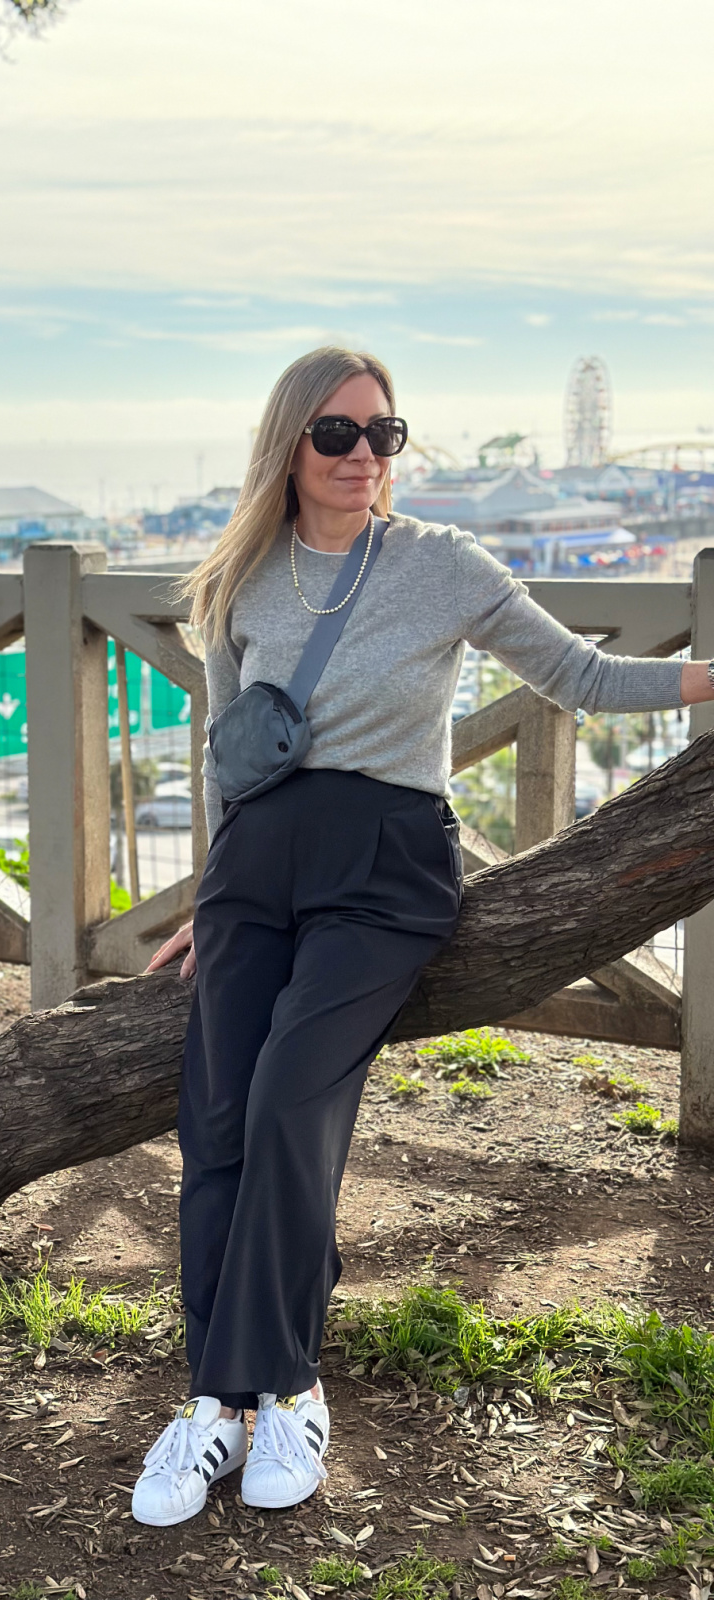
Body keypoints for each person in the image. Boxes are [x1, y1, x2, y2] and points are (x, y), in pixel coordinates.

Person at [129, 345, 714, 1529]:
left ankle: (280, 1390)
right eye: (337, 435)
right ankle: (214, 1408)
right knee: (220, 1118)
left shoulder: (445, 565)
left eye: (381, 436)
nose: (361, 457)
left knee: (295, 1098)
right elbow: (228, 754)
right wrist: (207, 895)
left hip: (387, 870)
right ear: (289, 443)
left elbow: (589, 681)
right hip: (255, 871)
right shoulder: (243, 577)